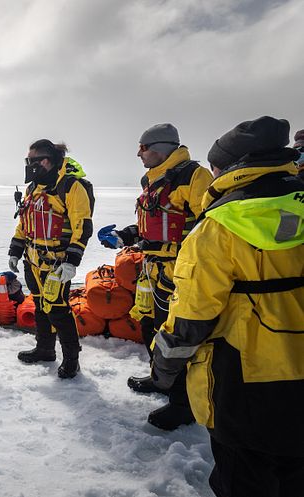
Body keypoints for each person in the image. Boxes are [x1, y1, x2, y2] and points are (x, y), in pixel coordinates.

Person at [151, 116, 304, 496]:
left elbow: (191, 316)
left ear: (234, 166)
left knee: (242, 478)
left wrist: (164, 367)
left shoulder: (218, 228)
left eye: (216, 163)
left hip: (243, 378)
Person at [98, 124, 213, 429]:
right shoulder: (154, 181)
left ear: (161, 147)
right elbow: (152, 223)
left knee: (174, 336)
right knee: (149, 325)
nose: (139, 153)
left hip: (179, 271)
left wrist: (158, 245)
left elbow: (208, 228)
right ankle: (159, 378)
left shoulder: (194, 177)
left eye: (143, 147)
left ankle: (183, 404)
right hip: (153, 270)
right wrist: (127, 236)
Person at [8, 140, 92, 379]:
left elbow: (82, 225)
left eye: (32, 160)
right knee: (40, 305)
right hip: (32, 260)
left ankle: (71, 360)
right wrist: (16, 249)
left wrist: (71, 261)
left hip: (56, 263)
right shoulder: (33, 188)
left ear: (46, 160)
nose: (29, 165)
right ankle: (45, 349)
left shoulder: (70, 187)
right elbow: (24, 223)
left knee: (58, 310)